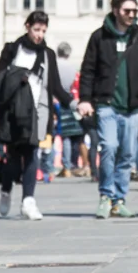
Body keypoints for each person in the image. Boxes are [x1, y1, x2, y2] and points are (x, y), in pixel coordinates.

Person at [78, 0, 138, 220]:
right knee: (109, 147)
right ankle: (105, 195)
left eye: (135, 11)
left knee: (127, 154)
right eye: (127, 11)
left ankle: (119, 200)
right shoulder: (99, 37)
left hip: (132, 107)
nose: (132, 15)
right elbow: (88, 70)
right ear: (115, 11)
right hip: (106, 104)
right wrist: (85, 98)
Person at [0, 11, 71, 221]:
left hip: (38, 111)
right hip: (12, 111)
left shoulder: (48, 54)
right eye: (36, 30)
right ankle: (6, 190)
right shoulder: (12, 49)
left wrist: (73, 103)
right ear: (27, 27)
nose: (39, 35)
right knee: (13, 157)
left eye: (43, 31)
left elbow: (55, 86)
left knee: (32, 153)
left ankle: (28, 201)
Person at [53, 43, 85, 176]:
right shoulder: (73, 67)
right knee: (75, 134)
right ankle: (73, 163)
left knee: (64, 135)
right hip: (71, 100)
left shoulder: (54, 66)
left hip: (57, 100)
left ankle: (66, 165)